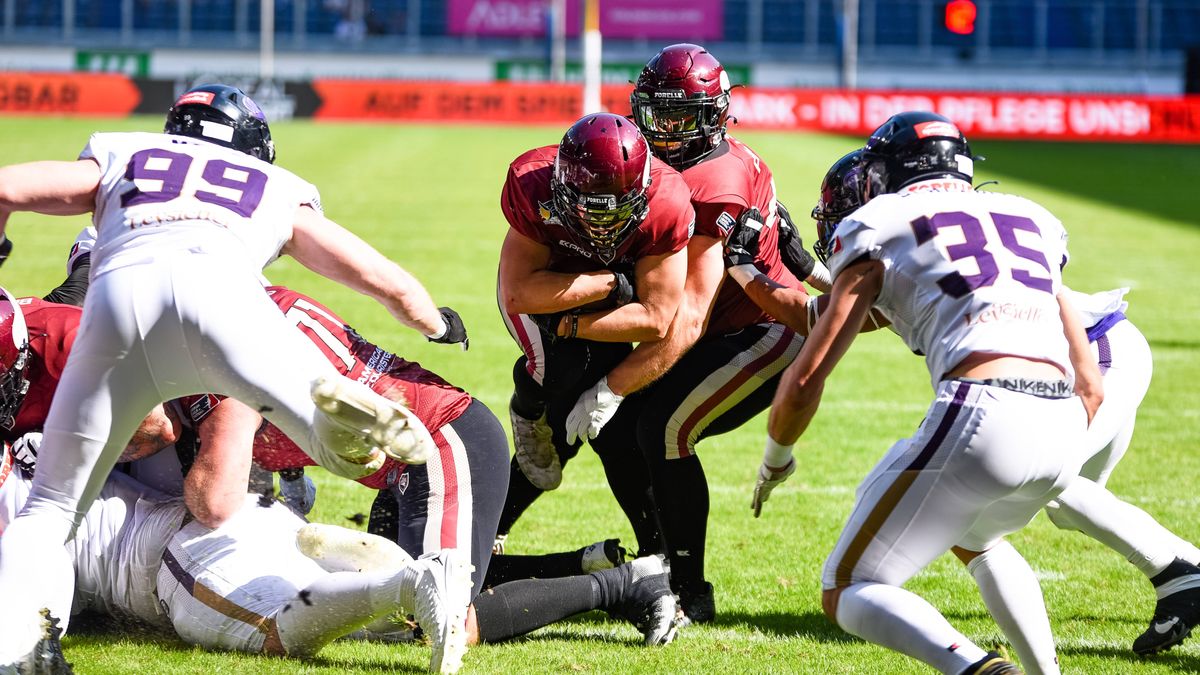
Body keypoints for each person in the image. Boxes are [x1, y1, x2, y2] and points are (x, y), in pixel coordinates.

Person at [0, 83, 471, 671]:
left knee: (49, 508)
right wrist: (434, 323)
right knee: (301, 404)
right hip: (226, 301)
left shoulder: (124, 153)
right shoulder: (275, 188)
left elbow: (6, 188)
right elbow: (386, 280)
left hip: (119, 300)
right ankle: (335, 431)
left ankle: (20, 649)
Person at [790, 149, 1200, 665]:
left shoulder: (902, 233)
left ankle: (1180, 569)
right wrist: (804, 270)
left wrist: (774, 269)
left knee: (1029, 481)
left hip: (1093, 354)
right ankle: (1171, 577)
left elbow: (844, 306)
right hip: (1087, 357)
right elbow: (862, 301)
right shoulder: (929, 228)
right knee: (1020, 501)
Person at [759, 111, 1102, 674]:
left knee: (846, 586)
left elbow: (807, 375)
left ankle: (978, 669)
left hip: (986, 409)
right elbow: (1089, 378)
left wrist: (775, 461)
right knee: (977, 537)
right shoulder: (1030, 215)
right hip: (1064, 422)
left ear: (892, 170)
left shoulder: (883, 220)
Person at [567, 42, 830, 624]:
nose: (662, 132)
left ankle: (689, 590)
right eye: (654, 115)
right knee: (616, 435)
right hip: (714, 326)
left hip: (760, 331)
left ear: (713, 116)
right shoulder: (677, 164)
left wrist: (612, 383)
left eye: (680, 117)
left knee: (663, 429)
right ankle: (652, 566)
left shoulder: (715, 180)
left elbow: (689, 310)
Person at [495, 112, 694, 558]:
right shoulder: (533, 184)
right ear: (561, 189)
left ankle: (492, 523)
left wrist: (576, 324)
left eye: (617, 211)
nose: (602, 225)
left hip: (610, 304)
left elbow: (658, 318)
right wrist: (608, 282)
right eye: (587, 208)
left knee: (611, 427)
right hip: (547, 292)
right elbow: (519, 294)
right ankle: (528, 404)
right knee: (563, 372)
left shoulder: (667, 203)